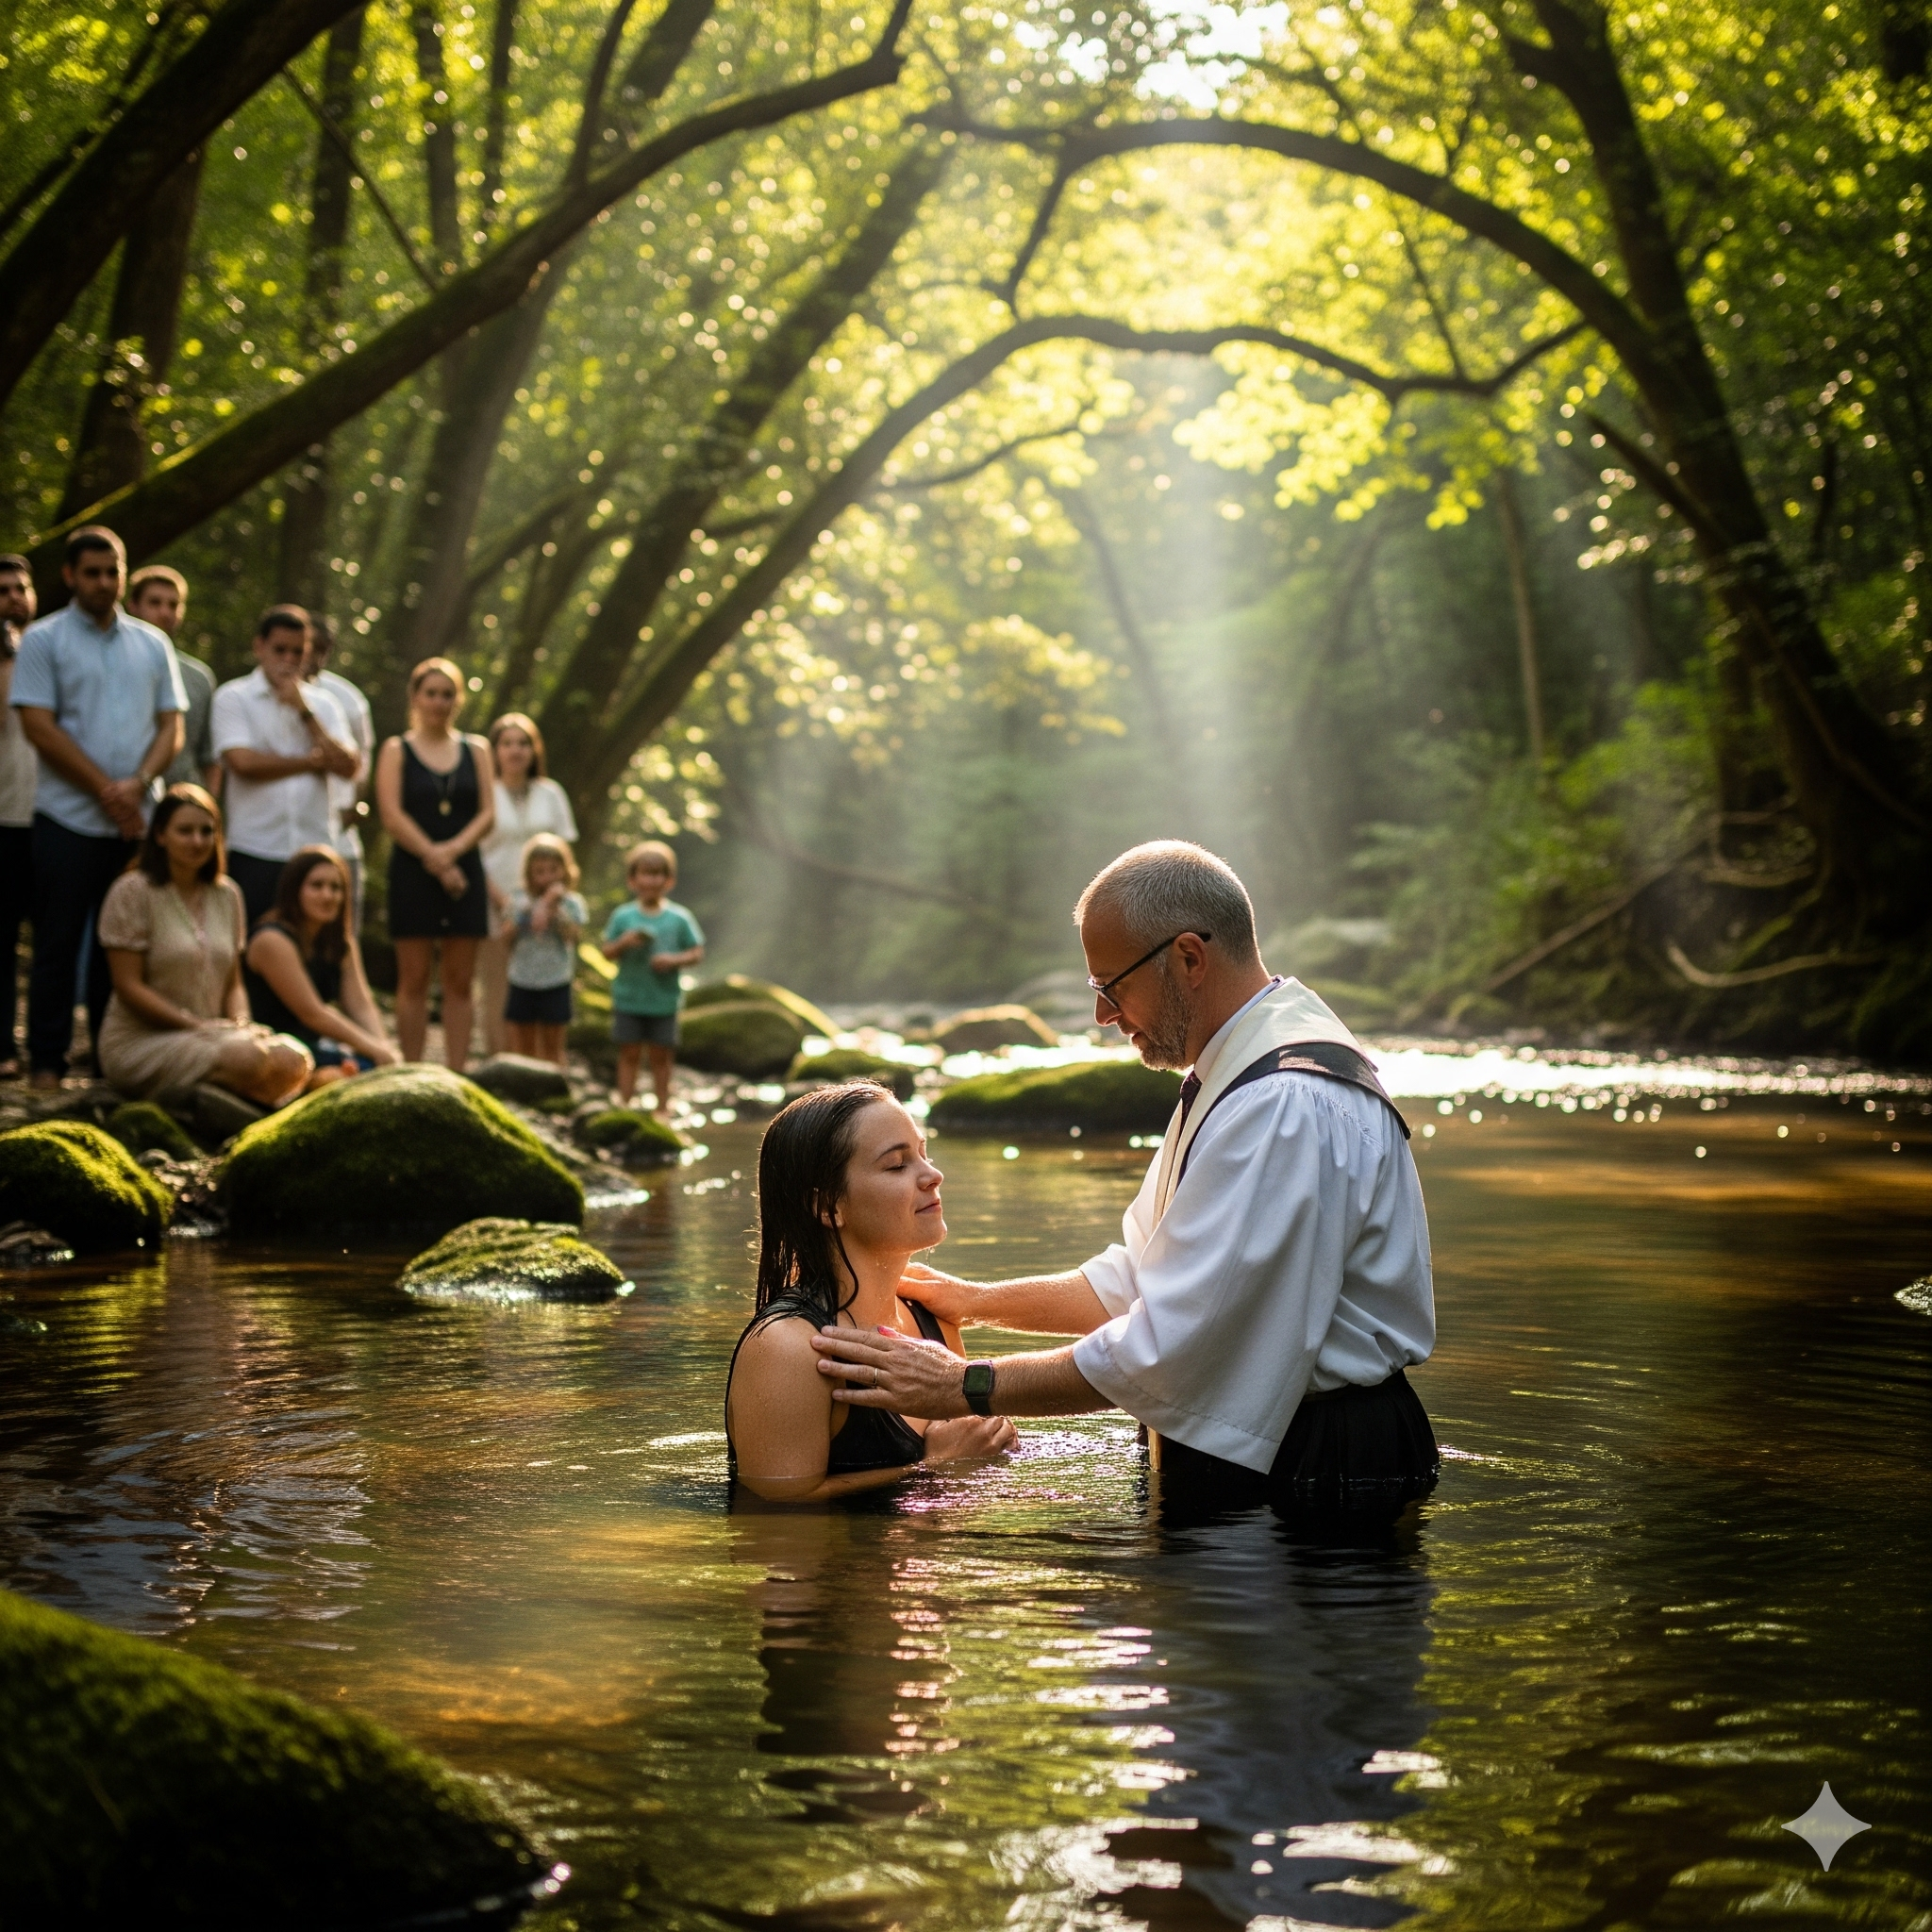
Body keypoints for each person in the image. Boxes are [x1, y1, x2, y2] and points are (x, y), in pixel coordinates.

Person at [810, 841, 1441, 1518]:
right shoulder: (1238, 1071)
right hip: (1291, 1445)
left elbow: (1170, 1349)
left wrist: (964, 1385)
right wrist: (976, 1301)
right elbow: (1139, 1277)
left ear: (1189, 958)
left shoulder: (1282, 1106)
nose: (1103, 1016)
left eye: (1112, 986)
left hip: (1324, 1468)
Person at [725, 1081, 1018, 1504]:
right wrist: (931, 1469)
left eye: (923, 1153)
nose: (933, 1175)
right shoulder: (790, 1347)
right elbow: (774, 1515)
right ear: (828, 1207)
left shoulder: (931, 1318)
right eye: (898, 1165)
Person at [11, 525, 185, 1089]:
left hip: (137, 823)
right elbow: (38, 725)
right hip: (67, 818)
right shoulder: (43, 639)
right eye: (92, 573)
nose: (104, 583)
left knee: (129, 948)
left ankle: (115, 1066)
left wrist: (137, 784)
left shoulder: (152, 644)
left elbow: (171, 725)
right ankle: (46, 1064)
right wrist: (107, 792)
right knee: (58, 944)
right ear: (69, 576)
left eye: (114, 572)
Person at [94, 784, 311, 1107]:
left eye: (206, 831)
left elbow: (234, 982)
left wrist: (241, 1025)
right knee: (247, 1059)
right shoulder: (132, 891)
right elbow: (129, 988)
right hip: (142, 1042)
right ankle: (223, 1095)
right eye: (185, 831)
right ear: (160, 835)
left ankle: (222, 1096)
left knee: (297, 1058)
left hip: (215, 1037)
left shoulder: (228, 895)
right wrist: (199, 1027)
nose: (198, 841)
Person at [375, 657, 494, 1069]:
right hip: (413, 871)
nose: (439, 702)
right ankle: (412, 1069)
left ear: (457, 700)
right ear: (416, 697)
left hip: (466, 871)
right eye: (431, 693)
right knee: (414, 978)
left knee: (460, 981)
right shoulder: (396, 749)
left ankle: (457, 1073)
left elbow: (487, 814)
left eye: (447, 694)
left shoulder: (476, 749)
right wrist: (436, 859)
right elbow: (391, 815)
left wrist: (453, 853)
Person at [212, 605, 359, 926]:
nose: (289, 660)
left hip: (314, 850)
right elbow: (243, 763)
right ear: (259, 647)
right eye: (280, 650)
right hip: (255, 848)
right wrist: (310, 762)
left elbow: (348, 767)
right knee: (250, 943)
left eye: (298, 652)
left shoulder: (323, 705)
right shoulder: (233, 697)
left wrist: (305, 713)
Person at [243, 844, 399, 1087]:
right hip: (275, 1052)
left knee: (372, 1071)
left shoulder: (340, 942)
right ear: (294, 890)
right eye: (317, 886)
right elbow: (313, 1014)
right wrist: (375, 1050)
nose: (328, 895)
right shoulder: (271, 940)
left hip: (316, 1047)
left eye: (336, 888)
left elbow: (360, 1006)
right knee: (348, 1077)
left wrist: (384, 1052)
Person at [477, 712, 578, 1057]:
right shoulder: (484, 792)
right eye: (507, 743)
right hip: (494, 898)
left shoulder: (551, 793)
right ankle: (502, 1062)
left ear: (535, 750)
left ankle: (545, 1066)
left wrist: (553, 898)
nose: (515, 751)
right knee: (498, 985)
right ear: (495, 750)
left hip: (547, 905)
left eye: (523, 743)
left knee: (545, 980)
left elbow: (565, 851)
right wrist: (502, 899)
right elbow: (475, 853)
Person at [600, 840, 703, 1112]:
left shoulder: (679, 918)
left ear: (669, 880)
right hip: (629, 999)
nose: (651, 880)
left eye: (657, 874)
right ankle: (625, 1104)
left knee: (661, 1057)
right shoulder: (623, 917)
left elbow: (696, 952)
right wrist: (624, 943)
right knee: (629, 1053)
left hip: (664, 1001)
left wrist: (673, 960)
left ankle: (662, 1110)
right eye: (645, 873)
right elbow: (607, 952)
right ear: (633, 880)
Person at [304, 615, 375, 931]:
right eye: (305, 647)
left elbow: (362, 761)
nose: (310, 656)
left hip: (340, 840)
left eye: (320, 648)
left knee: (342, 936)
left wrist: (354, 806)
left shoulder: (346, 698)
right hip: (280, 841)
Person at [125, 566, 220, 795]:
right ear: (133, 606)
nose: (165, 613)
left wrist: (208, 803)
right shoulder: (114, 668)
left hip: (184, 802)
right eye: (155, 603)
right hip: (127, 796)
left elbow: (210, 756)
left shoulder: (199, 677)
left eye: (173, 605)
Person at [0, 554, 38, 1078]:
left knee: (59, 936)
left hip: (57, 814)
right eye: (3, 589)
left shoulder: (53, 647)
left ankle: (51, 1048)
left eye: (20, 587)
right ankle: (4, 1047)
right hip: (5, 815)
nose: (12, 596)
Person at [504, 833, 586, 1066]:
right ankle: (526, 1088)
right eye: (540, 871)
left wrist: (553, 908)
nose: (547, 877)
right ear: (529, 873)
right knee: (524, 1045)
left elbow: (572, 937)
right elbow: (506, 939)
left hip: (556, 980)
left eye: (554, 870)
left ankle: (555, 1087)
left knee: (553, 1045)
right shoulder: (517, 899)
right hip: (522, 978)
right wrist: (528, 911)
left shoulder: (572, 903)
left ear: (565, 870)